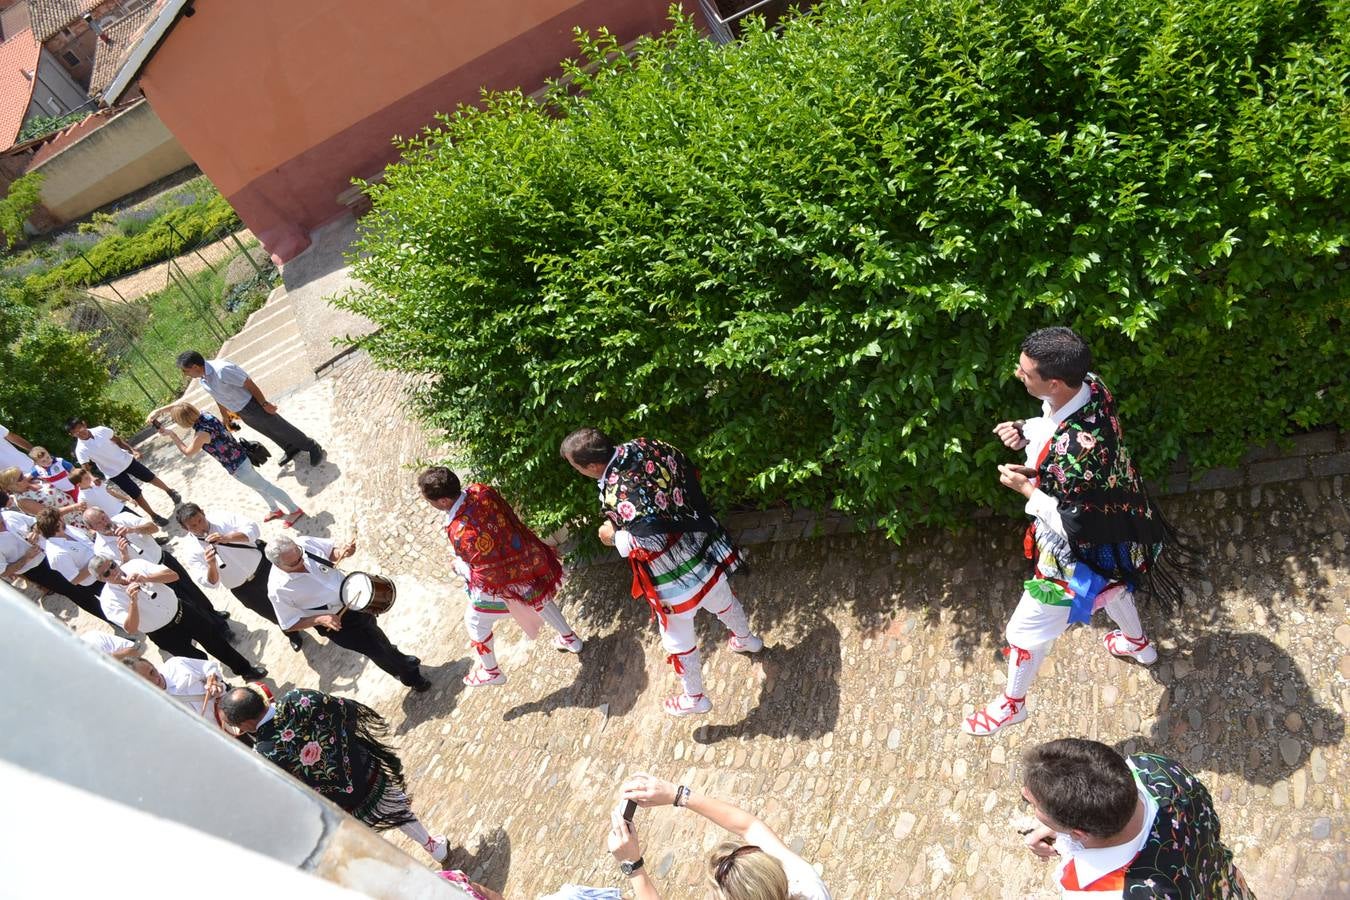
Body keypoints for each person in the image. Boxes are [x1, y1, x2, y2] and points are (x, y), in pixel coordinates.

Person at [963, 327, 1191, 737]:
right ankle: (1138, 645)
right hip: (1126, 523)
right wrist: (1025, 429)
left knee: (1023, 634)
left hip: (1076, 550)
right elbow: (1055, 430)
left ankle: (1013, 704)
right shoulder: (1090, 385)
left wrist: (1028, 489)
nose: (1018, 374)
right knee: (1115, 585)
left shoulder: (1074, 453)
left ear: (1053, 382)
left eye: (1025, 371)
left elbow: (1073, 524)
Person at [561, 429, 763, 717]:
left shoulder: (620, 491)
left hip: (671, 576)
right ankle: (747, 639)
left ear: (592, 466)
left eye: (575, 466)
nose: (577, 471)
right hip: (697, 546)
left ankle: (695, 698)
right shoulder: (641, 446)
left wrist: (611, 537)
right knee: (722, 598)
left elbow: (650, 540)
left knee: (678, 637)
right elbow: (683, 466)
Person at [218, 684, 449, 862]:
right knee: (396, 808)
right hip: (365, 769)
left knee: (369, 841)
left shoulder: (264, 754)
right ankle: (432, 846)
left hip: (343, 804)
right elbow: (345, 709)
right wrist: (342, 748)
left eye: (236, 726)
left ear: (247, 723)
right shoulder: (299, 698)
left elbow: (294, 791)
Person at [1020, 738, 1251, 897]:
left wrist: (1066, 832)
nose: (1024, 795)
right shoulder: (1155, 769)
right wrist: (1063, 831)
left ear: (1079, 833)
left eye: (1033, 804)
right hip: (1227, 886)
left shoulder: (1097, 894)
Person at [417, 466, 582, 687]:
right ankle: (570, 639)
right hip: (525, 556)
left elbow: (482, 571)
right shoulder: (480, 490)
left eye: (431, 501)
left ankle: (491, 671)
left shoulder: (459, 532)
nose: (432, 505)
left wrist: (458, 567)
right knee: (541, 599)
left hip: (505, 579)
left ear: (444, 501)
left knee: (475, 622)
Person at [610, 773, 831, 900]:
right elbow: (750, 827)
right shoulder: (807, 886)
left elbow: (750, 828)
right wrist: (676, 795)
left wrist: (632, 863)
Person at [266, 535, 431, 691]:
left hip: (355, 601)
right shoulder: (278, 589)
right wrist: (319, 618)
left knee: (377, 637)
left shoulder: (304, 543)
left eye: (300, 554)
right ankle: (412, 678)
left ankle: (397, 661)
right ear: (278, 565)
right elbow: (288, 624)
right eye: (294, 563)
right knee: (376, 649)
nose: (302, 562)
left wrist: (343, 552)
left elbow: (332, 552)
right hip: (338, 623)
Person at [89, 552, 266, 681]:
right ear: (101, 579)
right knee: (196, 662)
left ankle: (246, 670)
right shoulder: (108, 600)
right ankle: (223, 688)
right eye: (106, 573)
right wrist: (133, 601)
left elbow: (173, 575)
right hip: (163, 633)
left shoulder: (135, 565)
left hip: (183, 612)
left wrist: (146, 577)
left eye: (112, 565)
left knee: (217, 643)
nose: (113, 572)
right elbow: (131, 628)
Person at [83, 506, 233, 638]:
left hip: (164, 560)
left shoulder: (123, 518)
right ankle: (216, 628)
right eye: (99, 523)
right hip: (148, 578)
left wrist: (133, 530)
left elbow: (153, 528)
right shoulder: (100, 548)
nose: (105, 523)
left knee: (192, 590)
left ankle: (214, 615)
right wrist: (124, 555)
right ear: (92, 528)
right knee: (183, 601)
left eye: (104, 517)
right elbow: (119, 574)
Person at [147, 401, 304, 526]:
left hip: (237, 466)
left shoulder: (201, 434)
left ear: (184, 421)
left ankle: (294, 509)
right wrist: (158, 412)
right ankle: (274, 509)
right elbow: (180, 406)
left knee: (265, 486)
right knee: (258, 486)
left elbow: (188, 452)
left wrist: (172, 435)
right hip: (241, 456)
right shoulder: (204, 415)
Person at [176, 502, 304, 652]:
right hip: (242, 588)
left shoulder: (221, 517)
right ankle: (291, 632)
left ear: (203, 513)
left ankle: (314, 616)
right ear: (186, 529)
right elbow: (210, 583)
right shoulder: (190, 550)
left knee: (293, 594)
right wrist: (211, 564)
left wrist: (228, 538)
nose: (200, 527)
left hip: (263, 568)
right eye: (193, 527)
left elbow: (253, 529)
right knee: (269, 611)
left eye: (200, 520)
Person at [176, 351, 325, 467]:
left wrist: (264, 404)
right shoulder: (203, 379)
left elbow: (248, 383)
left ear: (195, 367)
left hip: (252, 404)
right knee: (267, 431)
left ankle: (312, 446)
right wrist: (225, 415)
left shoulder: (221, 370)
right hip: (240, 410)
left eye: (185, 371)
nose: (185, 375)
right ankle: (290, 448)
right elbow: (217, 396)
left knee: (280, 427)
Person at [1, 498, 109, 625]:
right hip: (37, 571)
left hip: (50, 552)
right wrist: (26, 558)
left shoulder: (8, 515)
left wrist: (35, 532)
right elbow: (3, 571)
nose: (1, 520)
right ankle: (110, 618)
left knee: (89, 582)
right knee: (76, 593)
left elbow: (37, 523)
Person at [67, 417, 180, 526]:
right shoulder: (80, 449)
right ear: (72, 435)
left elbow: (118, 441)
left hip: (126, 460)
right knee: (136, 494)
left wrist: (132, 450)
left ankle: (170, 492)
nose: (80, 432)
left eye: (80, 428)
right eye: (76, 432)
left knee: (150, 477)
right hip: (113, 473)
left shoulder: (101, 430)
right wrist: (92, 478)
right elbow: (86, 467)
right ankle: (155, 516)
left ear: (84, 424)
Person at [123, 655, 231, 730]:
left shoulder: (176, 664)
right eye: (147, 681)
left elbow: (207, 667)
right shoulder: (152, 706)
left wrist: (212, 678)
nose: (155, 680)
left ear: (151, 663)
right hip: (218, 731)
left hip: (229, 706)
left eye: (152, 672)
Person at [1, 466, 90, 531]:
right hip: (70, 521)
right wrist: (74, 507)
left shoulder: (34, 480)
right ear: (13, 485)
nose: (24, 476)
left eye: (22, 474)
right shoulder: (23, 500)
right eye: (20, 477)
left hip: (79, 508)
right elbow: (50, 514)